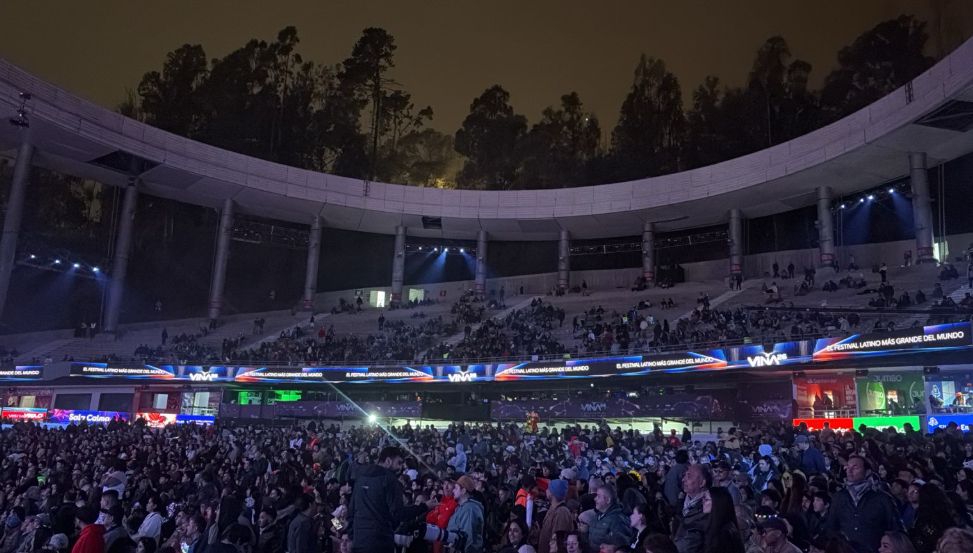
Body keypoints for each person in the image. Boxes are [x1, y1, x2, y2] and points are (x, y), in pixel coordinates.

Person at [822, 455, 903, 552]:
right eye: (848, 467)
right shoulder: (838, 497)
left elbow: (897, 530)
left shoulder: (883, 498)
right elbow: (831, 527)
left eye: (855, 467)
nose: (850, 471)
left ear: (867, 472)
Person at [349, 447, 409, 553]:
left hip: (359, 540)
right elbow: (397, 514)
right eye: (399, 463)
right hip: (380, 541)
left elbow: (352, 509)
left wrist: (351, 534)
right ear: (388, 461)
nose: (401, 467)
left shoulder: (360, 478)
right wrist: (423, 507)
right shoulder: (390, 479)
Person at [672, 465, 710, 553]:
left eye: (689, 476)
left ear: (702, 483)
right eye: (684, 476)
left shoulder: (708, 506)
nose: (683, 480)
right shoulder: (682, 502)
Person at [444, 476, 485, 553]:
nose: (453, 490)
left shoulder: (469, 509)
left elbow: (468, 538)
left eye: (456, 488)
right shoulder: (462, 508)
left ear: (463, 491)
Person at [588, 485, 633, 553]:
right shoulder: (598, 516)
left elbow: (622, 545)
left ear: (608, 500)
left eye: (599, 496)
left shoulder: (618, 519)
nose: (595, 499)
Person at [701, 487, 744, 553]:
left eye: (706, 499)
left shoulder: (726, 533)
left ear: (717, 503)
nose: (702, 502)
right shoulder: (714, 526)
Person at [540, 480, 575, 553]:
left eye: (548, 488)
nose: (546, 490)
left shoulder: (561, 512)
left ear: (553, 493)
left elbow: (558, 541)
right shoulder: (553, 508)